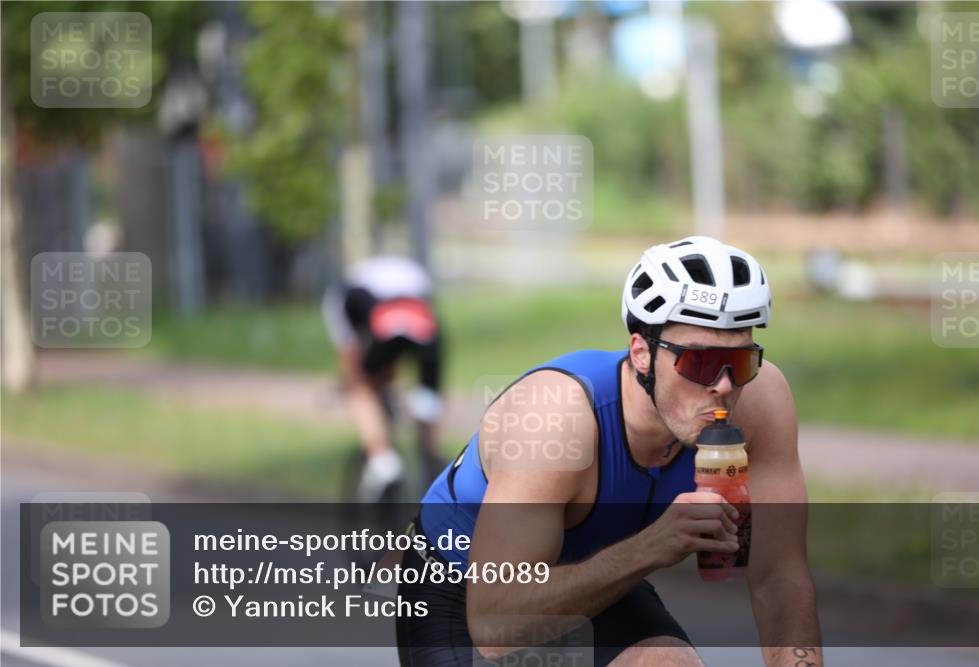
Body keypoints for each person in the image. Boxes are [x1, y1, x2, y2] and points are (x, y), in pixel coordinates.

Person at [396, 237, 822, 666]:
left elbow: (779, 577)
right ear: (641, 354)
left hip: (596, 567)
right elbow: (495, 627)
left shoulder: (761, 403)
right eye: (700, 363)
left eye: (742, 362)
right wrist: (652, 546)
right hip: (466, 584)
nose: (724, 385)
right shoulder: (556, 418)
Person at [322, 255, 445, 502]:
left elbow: (351, 353)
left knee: (359, 389)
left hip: (385, 330)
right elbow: (414, 327)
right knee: (427, 398)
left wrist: (347, 384)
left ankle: (382, 461)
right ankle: (433, 462)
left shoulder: (338, 296)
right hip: (428, 335)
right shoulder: (412, 274)